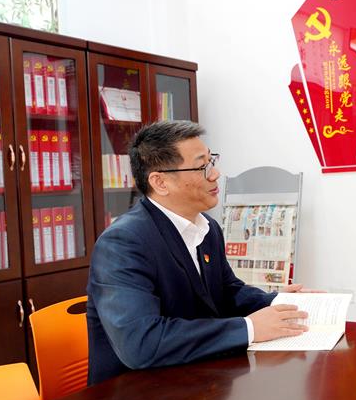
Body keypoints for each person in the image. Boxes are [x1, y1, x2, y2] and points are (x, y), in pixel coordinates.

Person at [87, 120, 310, 385]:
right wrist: (249, 328)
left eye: (211, 161)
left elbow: (226, 292)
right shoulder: (123, 243)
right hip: (136, 395)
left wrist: (275, 302)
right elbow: (141, 343)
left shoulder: (207, 228)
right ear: (160, 182)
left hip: (194, 381)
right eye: (202, 166)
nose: (215, 174)